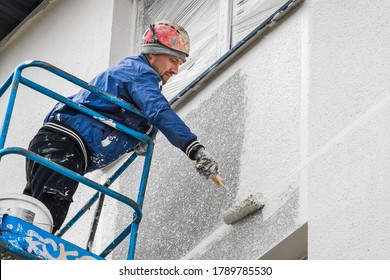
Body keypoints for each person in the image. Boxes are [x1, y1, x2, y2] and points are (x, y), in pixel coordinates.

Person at [23, 21, 219, 233]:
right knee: (45, 223)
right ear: (152, 54)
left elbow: (123, 112)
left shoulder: (131, 76)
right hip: (65, 145)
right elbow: (159, 111)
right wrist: (193, 148)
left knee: (29, 215)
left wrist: (135, 138)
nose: (176, 70)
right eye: (173, 60)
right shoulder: (141, 73)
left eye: (179, 63)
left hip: (55, 143)